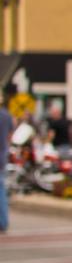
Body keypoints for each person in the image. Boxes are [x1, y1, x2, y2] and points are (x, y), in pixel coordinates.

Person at [0, 91, 12, 233]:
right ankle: (3, 221)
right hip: (2, 158)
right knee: (1, 190)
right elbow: (10, 136)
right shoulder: (6, 116)